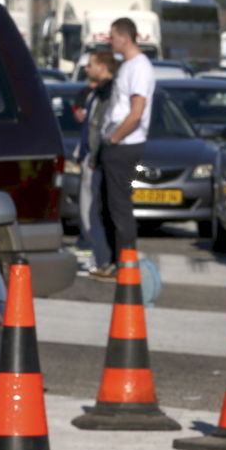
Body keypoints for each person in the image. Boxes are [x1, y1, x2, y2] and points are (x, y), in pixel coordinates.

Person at [93, 17, 155, 280]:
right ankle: (113, 259)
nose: (111, 41)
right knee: (107, 204)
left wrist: (116, 138)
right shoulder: (127, 66)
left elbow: (136, 112)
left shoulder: (139, 67)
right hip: (116, 142)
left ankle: (126, 262)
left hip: (125, 145)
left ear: (126, 37)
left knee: (119, 206)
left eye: (113, 36)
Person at [74, 50, 118, 278]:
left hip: (95, 160)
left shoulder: (106, 94)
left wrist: (93, 157)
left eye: (91, 64)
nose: (87, 69)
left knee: (90, 213)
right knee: (90, 214)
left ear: (102, 67)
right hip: (91, 157)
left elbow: (98, 129)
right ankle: (103, 259)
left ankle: (104, 260)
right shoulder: (95, 93)